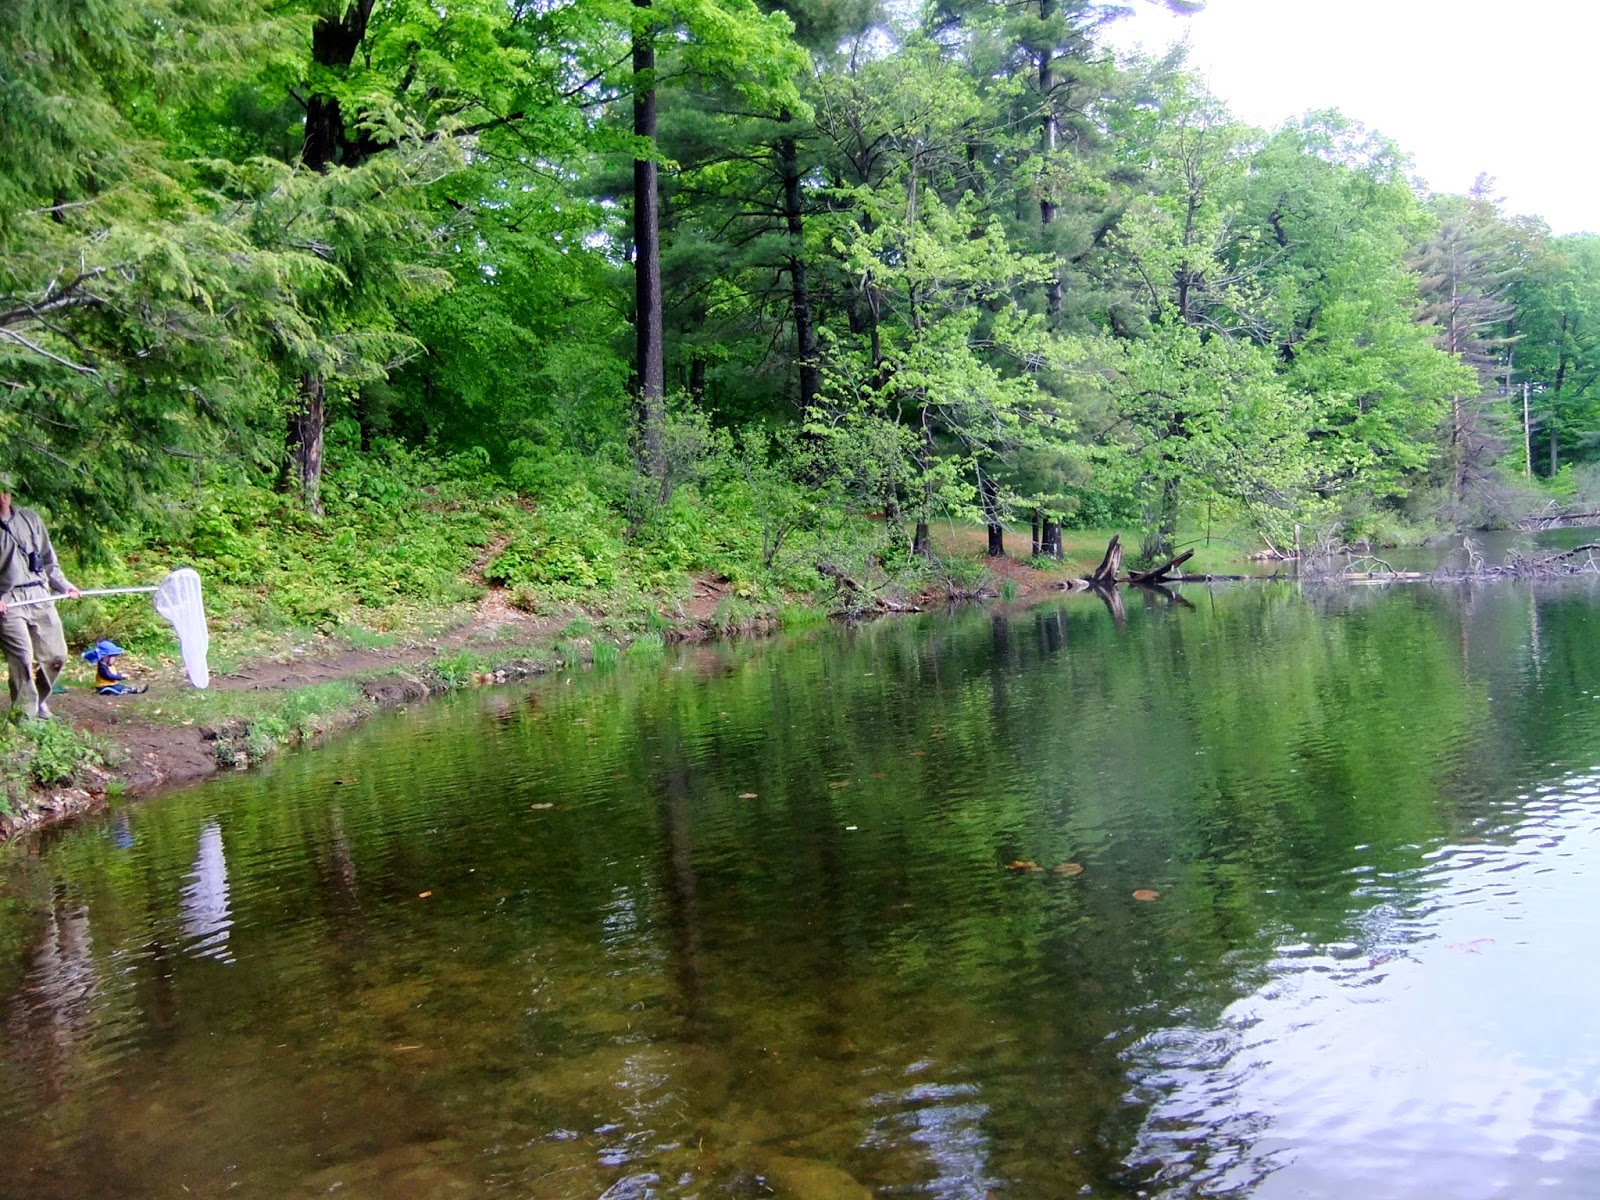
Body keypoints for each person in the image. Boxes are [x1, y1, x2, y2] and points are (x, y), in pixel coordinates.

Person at [0, 473, 80, 720]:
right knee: (22, 658)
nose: (2, 496)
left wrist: (64, 586)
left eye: (4, 490)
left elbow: (48, 560)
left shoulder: (30, 519)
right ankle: (25, 718)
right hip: (9, 601)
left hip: (40, 594)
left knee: (56, 656)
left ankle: (39, 703)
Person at [82, 639, 148, 695]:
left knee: (121, 686)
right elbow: (109, 676)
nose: (114, 659)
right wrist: (120, 677)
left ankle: (134, 689)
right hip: (104, 686)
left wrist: (120, 675)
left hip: (112, 684)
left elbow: (114, 674)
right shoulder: (102, 667)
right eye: (113, 657)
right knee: (113, 690)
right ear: (105, 657)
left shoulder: (110, 665)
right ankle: (129, 691)